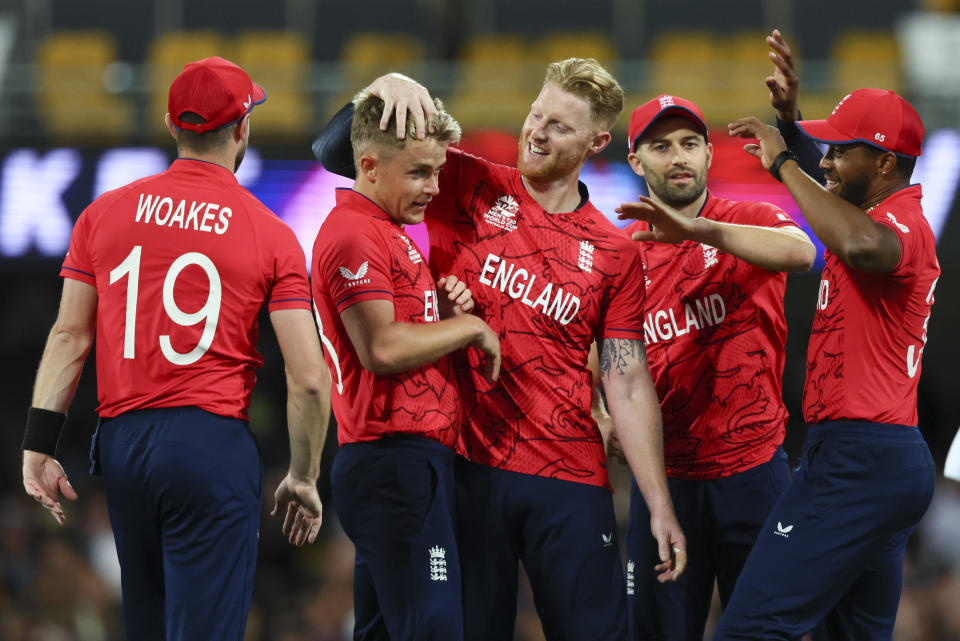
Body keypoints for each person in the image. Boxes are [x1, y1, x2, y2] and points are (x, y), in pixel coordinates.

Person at [315, 58, 685, 641]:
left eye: (560, 126)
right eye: (536, 114)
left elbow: (628, 379)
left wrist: (657, 502)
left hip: (569, 476)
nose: (537, 131)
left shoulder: (616, 253)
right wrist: (385, 87)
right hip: (467, 466)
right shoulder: (466, 182)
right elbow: (344, 153)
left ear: (597, 141)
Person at [20, 56, 331, 641]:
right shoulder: (272, 233)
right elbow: (309, 378)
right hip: (209, 443)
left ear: (171, 125)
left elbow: (70, 335)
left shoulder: (101, 214)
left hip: (123, 447)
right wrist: (306, 475)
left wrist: (39, 442)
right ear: (242, 129)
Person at [714, 32, 940, 640]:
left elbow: (860, 242)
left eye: (843, 151)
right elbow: (841, 201)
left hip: (858, 459)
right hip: (880, 457)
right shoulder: (871, 207)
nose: (829, 161)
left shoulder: (903, 223)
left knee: (750, 628)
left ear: (886, 164)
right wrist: (791, 127)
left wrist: (783, 161)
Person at [608, 94, 815, 641]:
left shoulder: (746, 219)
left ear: (707, 155)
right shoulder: (621, 258)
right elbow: (597, 362)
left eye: (689, 143)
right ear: (636, 161)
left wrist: (697, 231)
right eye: (660, 145)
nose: (678, 156)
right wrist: (598, 411)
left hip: (756, 473)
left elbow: (802, 253)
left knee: (767, 632)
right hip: (668, 485)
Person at [311, 89, 500, 641]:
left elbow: (399, 338)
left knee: (383, 631)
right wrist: (468, 327)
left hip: (402, 463)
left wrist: (437, 316)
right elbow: (383, 349)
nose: (434, 188)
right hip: (394, 461)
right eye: (419, 172)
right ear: (367, 165)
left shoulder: (386, 231)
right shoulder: (354, 234)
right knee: (434, 627)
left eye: (438, 172)